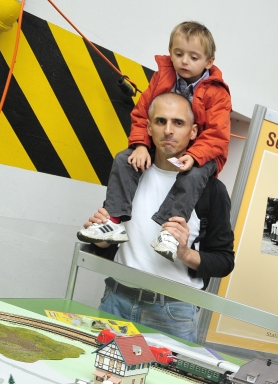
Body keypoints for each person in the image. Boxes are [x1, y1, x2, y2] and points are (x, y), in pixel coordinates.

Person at [81, 93, 235, 342]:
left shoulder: (211, 190)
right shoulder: (132, 172)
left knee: (165, 381)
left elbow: (224, 261)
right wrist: (100, 237)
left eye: (178, 123)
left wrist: (185, 253)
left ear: (193, 131)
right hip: (116, 301)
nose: (168, 130)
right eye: (161, 121)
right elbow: (112, 243)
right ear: (149, 127)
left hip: (173, 312)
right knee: (101, 373)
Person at [78, 22, 230, 262]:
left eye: (193, 57)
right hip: (169, 152)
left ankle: (170, 232)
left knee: (191, 175)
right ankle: (113, 221)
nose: (184, 62)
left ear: (209, 62)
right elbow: (141, 114)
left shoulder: (217, 92)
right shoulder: (163, 77)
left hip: (205, 154)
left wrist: (194, 155)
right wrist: (140, 144)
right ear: (170, 52)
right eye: (178, 54)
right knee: (123, 159)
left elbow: (217, 135)